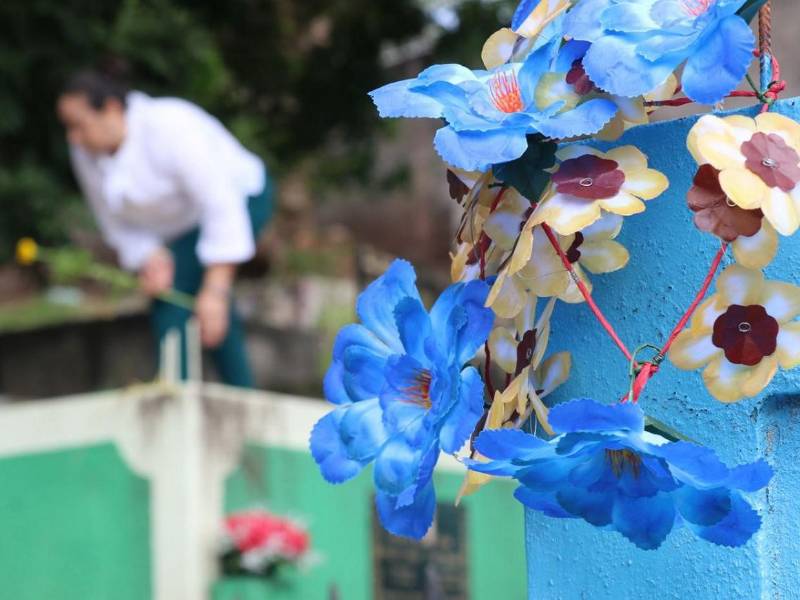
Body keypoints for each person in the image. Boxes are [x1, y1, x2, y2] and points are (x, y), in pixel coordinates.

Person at [56, 63, 273, 387]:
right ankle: (239, 396)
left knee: (177, 301)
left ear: (111, 109)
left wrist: (215, 288)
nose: (73, 137)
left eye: (79, 125)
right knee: (187, 294)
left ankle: (179, 395)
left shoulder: (169, 127)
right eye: (68, 128)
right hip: (181, 229)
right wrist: (150, 257)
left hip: (242, 199)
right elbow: (112, 221)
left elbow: (221, 205)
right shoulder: (85, 152)